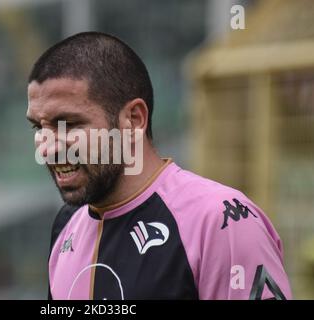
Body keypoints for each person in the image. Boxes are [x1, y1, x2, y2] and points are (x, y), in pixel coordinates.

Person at [26, 32, 292, 300]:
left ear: (133, 119)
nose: (47, 148)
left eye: (69, 124)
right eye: (38, 127)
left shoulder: (221, 220)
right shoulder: (67, 223)